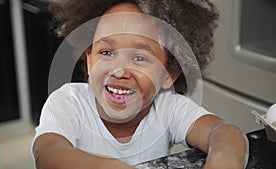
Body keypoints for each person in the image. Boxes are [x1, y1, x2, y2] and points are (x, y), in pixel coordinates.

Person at [32, 0, 249, 169]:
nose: (119, 71)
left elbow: (224, 132)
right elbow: (48, 153)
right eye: (106, 52)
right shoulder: (69, 102)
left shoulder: (168, 108)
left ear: (169, 74)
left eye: (139, 58)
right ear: (89, 61)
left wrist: (223, 161)